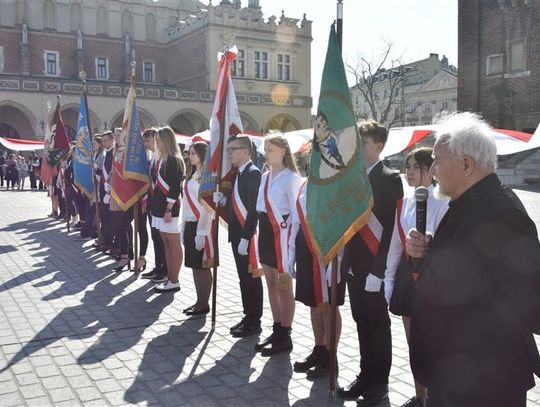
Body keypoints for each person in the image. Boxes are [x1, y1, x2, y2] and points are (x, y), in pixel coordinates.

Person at [406, 112, 540, 407]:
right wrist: (425, 256)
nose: (433, 171)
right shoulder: (463, 203)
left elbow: (531, 300)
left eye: (438, 162)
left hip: (485, 380)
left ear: (467, 164)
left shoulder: (503, 214)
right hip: (454, 373)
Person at [338, 120, 403, 406]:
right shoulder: (352, 177)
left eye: (363, 143)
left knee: (378, 325)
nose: (358, 148)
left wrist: (380, 270)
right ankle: (365, 375)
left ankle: (380, 383)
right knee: (361, 322)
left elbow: (390, 229)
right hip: (354, 264)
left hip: (376, 267)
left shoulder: (389, 178)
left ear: (378, 146)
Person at [383, 147, 448, 407]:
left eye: (416, 167)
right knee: (414, 345)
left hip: (432, 280)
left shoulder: (444, 201)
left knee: (433, 345)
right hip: (407, 279)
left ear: (431, 170)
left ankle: (434, 397)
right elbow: (395, 248)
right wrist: (388, 282)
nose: (409, 172)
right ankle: (419, 396)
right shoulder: (405, 202)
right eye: (407, 167)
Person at [291, 178, 346, 378]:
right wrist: (291, 252)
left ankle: (332, 357)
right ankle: (320, 349)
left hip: (328, 252)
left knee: (329, 306)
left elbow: (342, 222)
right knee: (314, 303)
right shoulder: (306, 184)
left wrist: (337, 259)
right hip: (306, 249)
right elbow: (297, 221)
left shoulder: (337, 183)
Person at [255, 133, 302, 356]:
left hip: (282, 235)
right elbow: (260, 208)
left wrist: (292, 248)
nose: (267, 153)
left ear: (283, 150)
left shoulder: (291, 178)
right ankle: (276, 327)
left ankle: (286, 333)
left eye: (271, 149)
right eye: (265, 149)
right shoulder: (265, 177)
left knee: (283, 285)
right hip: (265, 231)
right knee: (271, 283)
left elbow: (296, 214)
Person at [224, 135, 264, 338]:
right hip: (237, 235)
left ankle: (254, 322)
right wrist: (223, 201)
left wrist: (246, 237)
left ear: (246, 151)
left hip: (247, 236)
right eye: (229, 149)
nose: (230, 153)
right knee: (243, 279)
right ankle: (248, 315)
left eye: (233, 149)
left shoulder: (253, 173)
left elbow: (253, 209)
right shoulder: (239, 172)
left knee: (251, 280)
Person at [151, 126, 184, 293]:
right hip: (158, 207)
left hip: (170, 208)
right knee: (164, 241)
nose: (157, 143)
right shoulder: (159, 160)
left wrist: (169, 209)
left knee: (173, 243)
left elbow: (174, 187)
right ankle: (169, 277)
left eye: (159, 140)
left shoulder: (173, 160)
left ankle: (174, 279)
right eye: (156, 140)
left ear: (167, 140)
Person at [182, 141, 212, 315]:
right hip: (190, 223)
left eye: (193, 153)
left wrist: (201, 232)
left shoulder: (207, 177)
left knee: (203, 265)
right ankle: (198, 300)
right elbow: (187, 203)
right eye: (189, 153)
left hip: (202, 226)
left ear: (202, 154)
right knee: (194, 265)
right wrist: (184, 226)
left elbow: (206, 208)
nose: (190, 156)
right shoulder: (192, 175)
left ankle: (204, 303)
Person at [140, 128, 168, 282]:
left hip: (162, 206)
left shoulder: (163, 159)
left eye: (149, 140)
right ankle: (158, 267)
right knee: (155, 237)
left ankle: (164, 270)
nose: (146, 144)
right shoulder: (153, 157)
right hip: (152, 203)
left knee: (161, 238)